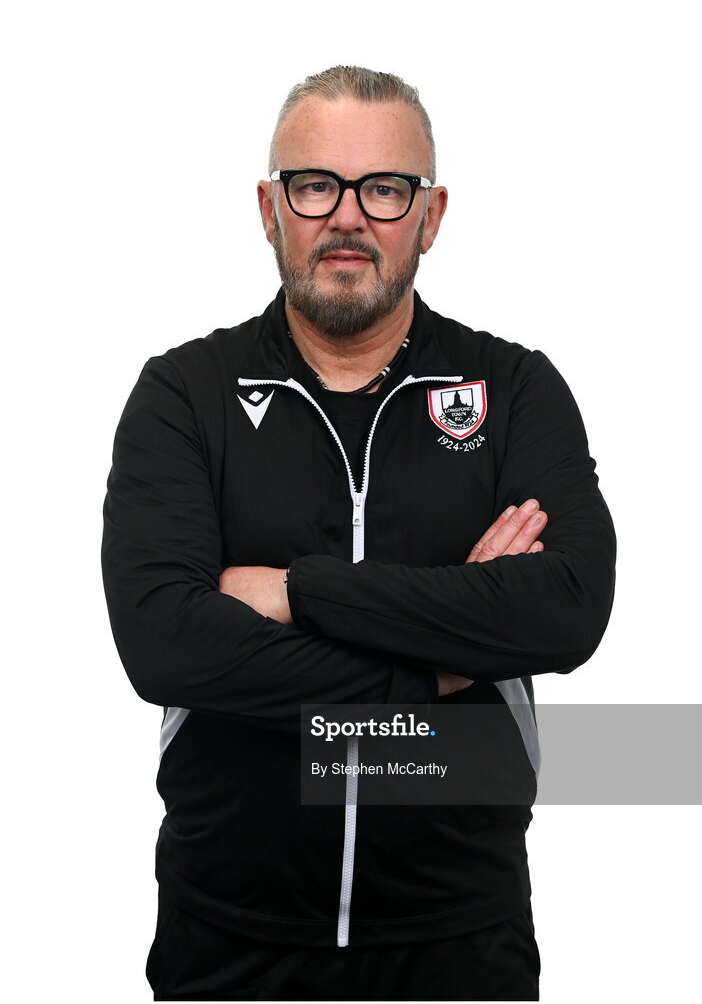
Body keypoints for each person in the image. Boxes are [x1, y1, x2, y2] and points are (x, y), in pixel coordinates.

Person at [101, 65, 616, 1001]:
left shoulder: (516, 391)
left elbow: (567, 609)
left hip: (462, 938)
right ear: (269, 207)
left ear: (431, 214)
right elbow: (164, 641)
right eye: (315, 186)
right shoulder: (186, 395)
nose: (349, 217)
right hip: (229, 938)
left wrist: (297, 594)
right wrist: (439, 664)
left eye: (385, 189)